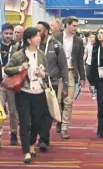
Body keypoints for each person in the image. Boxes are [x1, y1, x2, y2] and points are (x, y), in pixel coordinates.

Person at [4, 27, 51, 163]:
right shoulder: (19, 55)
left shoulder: (41, 54)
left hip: (39, 92)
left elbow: (47, 73)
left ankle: (31, 144)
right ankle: (26, 152)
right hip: (24, 93)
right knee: (25, 122)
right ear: (29, 39)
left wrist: (42, 74)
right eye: (36, 36)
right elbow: (7, 69)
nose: (39, 38)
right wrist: (20, 68)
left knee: (37, 122)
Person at [36, 21, 69, 150]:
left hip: (51, 83)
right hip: (34, 84)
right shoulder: (33, 44)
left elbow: (63, 66)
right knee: (36, 112)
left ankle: (44, 139)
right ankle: (40, 135)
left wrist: (65, 85)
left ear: (46, 31)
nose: (37, 33)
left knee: (47, 112)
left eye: (39, 30)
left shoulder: (56, 45)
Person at [54, 16, 85, 139]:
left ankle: (65, 128)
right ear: (67, 25)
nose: (76, 28)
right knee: (57, 100)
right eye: (74, 25)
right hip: (57, 73)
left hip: (71, 72)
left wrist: (82, 76)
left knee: (68, 102)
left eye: (77, 26)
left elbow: (80, 60)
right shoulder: (56, 38)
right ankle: (59, 120)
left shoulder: (78, 41)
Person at [0, 23, 19, 148]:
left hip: (12, 84)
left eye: (10, 34)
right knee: (0, 111)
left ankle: (13, 133)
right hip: (0, 83)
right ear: (1, 33)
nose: (8, 36)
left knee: (13, 111)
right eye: (6, 33)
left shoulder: (17, 47)